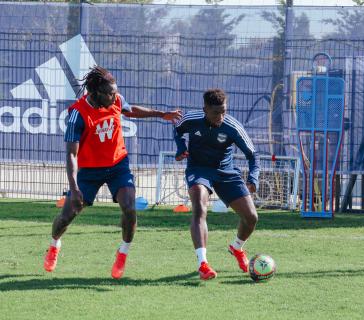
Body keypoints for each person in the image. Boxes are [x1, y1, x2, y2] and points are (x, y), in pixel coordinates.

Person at [43, 66, 182, 279]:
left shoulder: (115, 100)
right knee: (67, 216)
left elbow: (130, 109)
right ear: (95, 93)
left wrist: (161, 114)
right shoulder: (77, 115)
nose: (115, 96)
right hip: (89, 171)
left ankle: (123, 253)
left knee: (129, 206)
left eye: (115, 92)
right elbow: (71, 155)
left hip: (118, 165)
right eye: (110, 93)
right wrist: (74, 187)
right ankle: (54, 245)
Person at [174, 88, 259, 280]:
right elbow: (178, 129)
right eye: (216, 113)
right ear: (204, 109)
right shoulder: (191, 119)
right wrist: (181, 147)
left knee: (251, 217)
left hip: (226, 172)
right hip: (199, 170)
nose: (220, 116)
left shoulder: (232, 126)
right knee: (199, 208)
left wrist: (253, 178)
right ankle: (203, 264)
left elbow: (253, 155)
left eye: (224, 111)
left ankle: (236, 247)